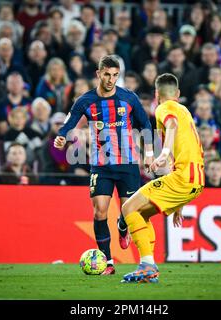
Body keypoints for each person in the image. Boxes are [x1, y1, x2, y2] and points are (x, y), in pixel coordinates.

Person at [54, 55, 153, 275]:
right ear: (98, 74)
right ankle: (108, 262)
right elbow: (69, 123)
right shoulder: (85, 100)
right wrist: (61, 137)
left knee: (129, 213)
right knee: (100, 212)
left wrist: (148, 153)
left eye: (115, 75)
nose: (111, 79)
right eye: (107, 74)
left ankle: (122, 225)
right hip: (101, 165)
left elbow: (145, 124)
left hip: (127, 163)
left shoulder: (129, 98)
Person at [118, 73, 204, 283]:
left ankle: (147, 266)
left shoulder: (165, 108)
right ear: (179, 93)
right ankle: (149, 270)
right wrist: (180, 204)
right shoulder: (185, 111)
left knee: (127, 208)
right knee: (140, 214)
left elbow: (171, 125)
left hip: (183, 178)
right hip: (195, 181)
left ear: (157, 94)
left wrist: (163, 154)